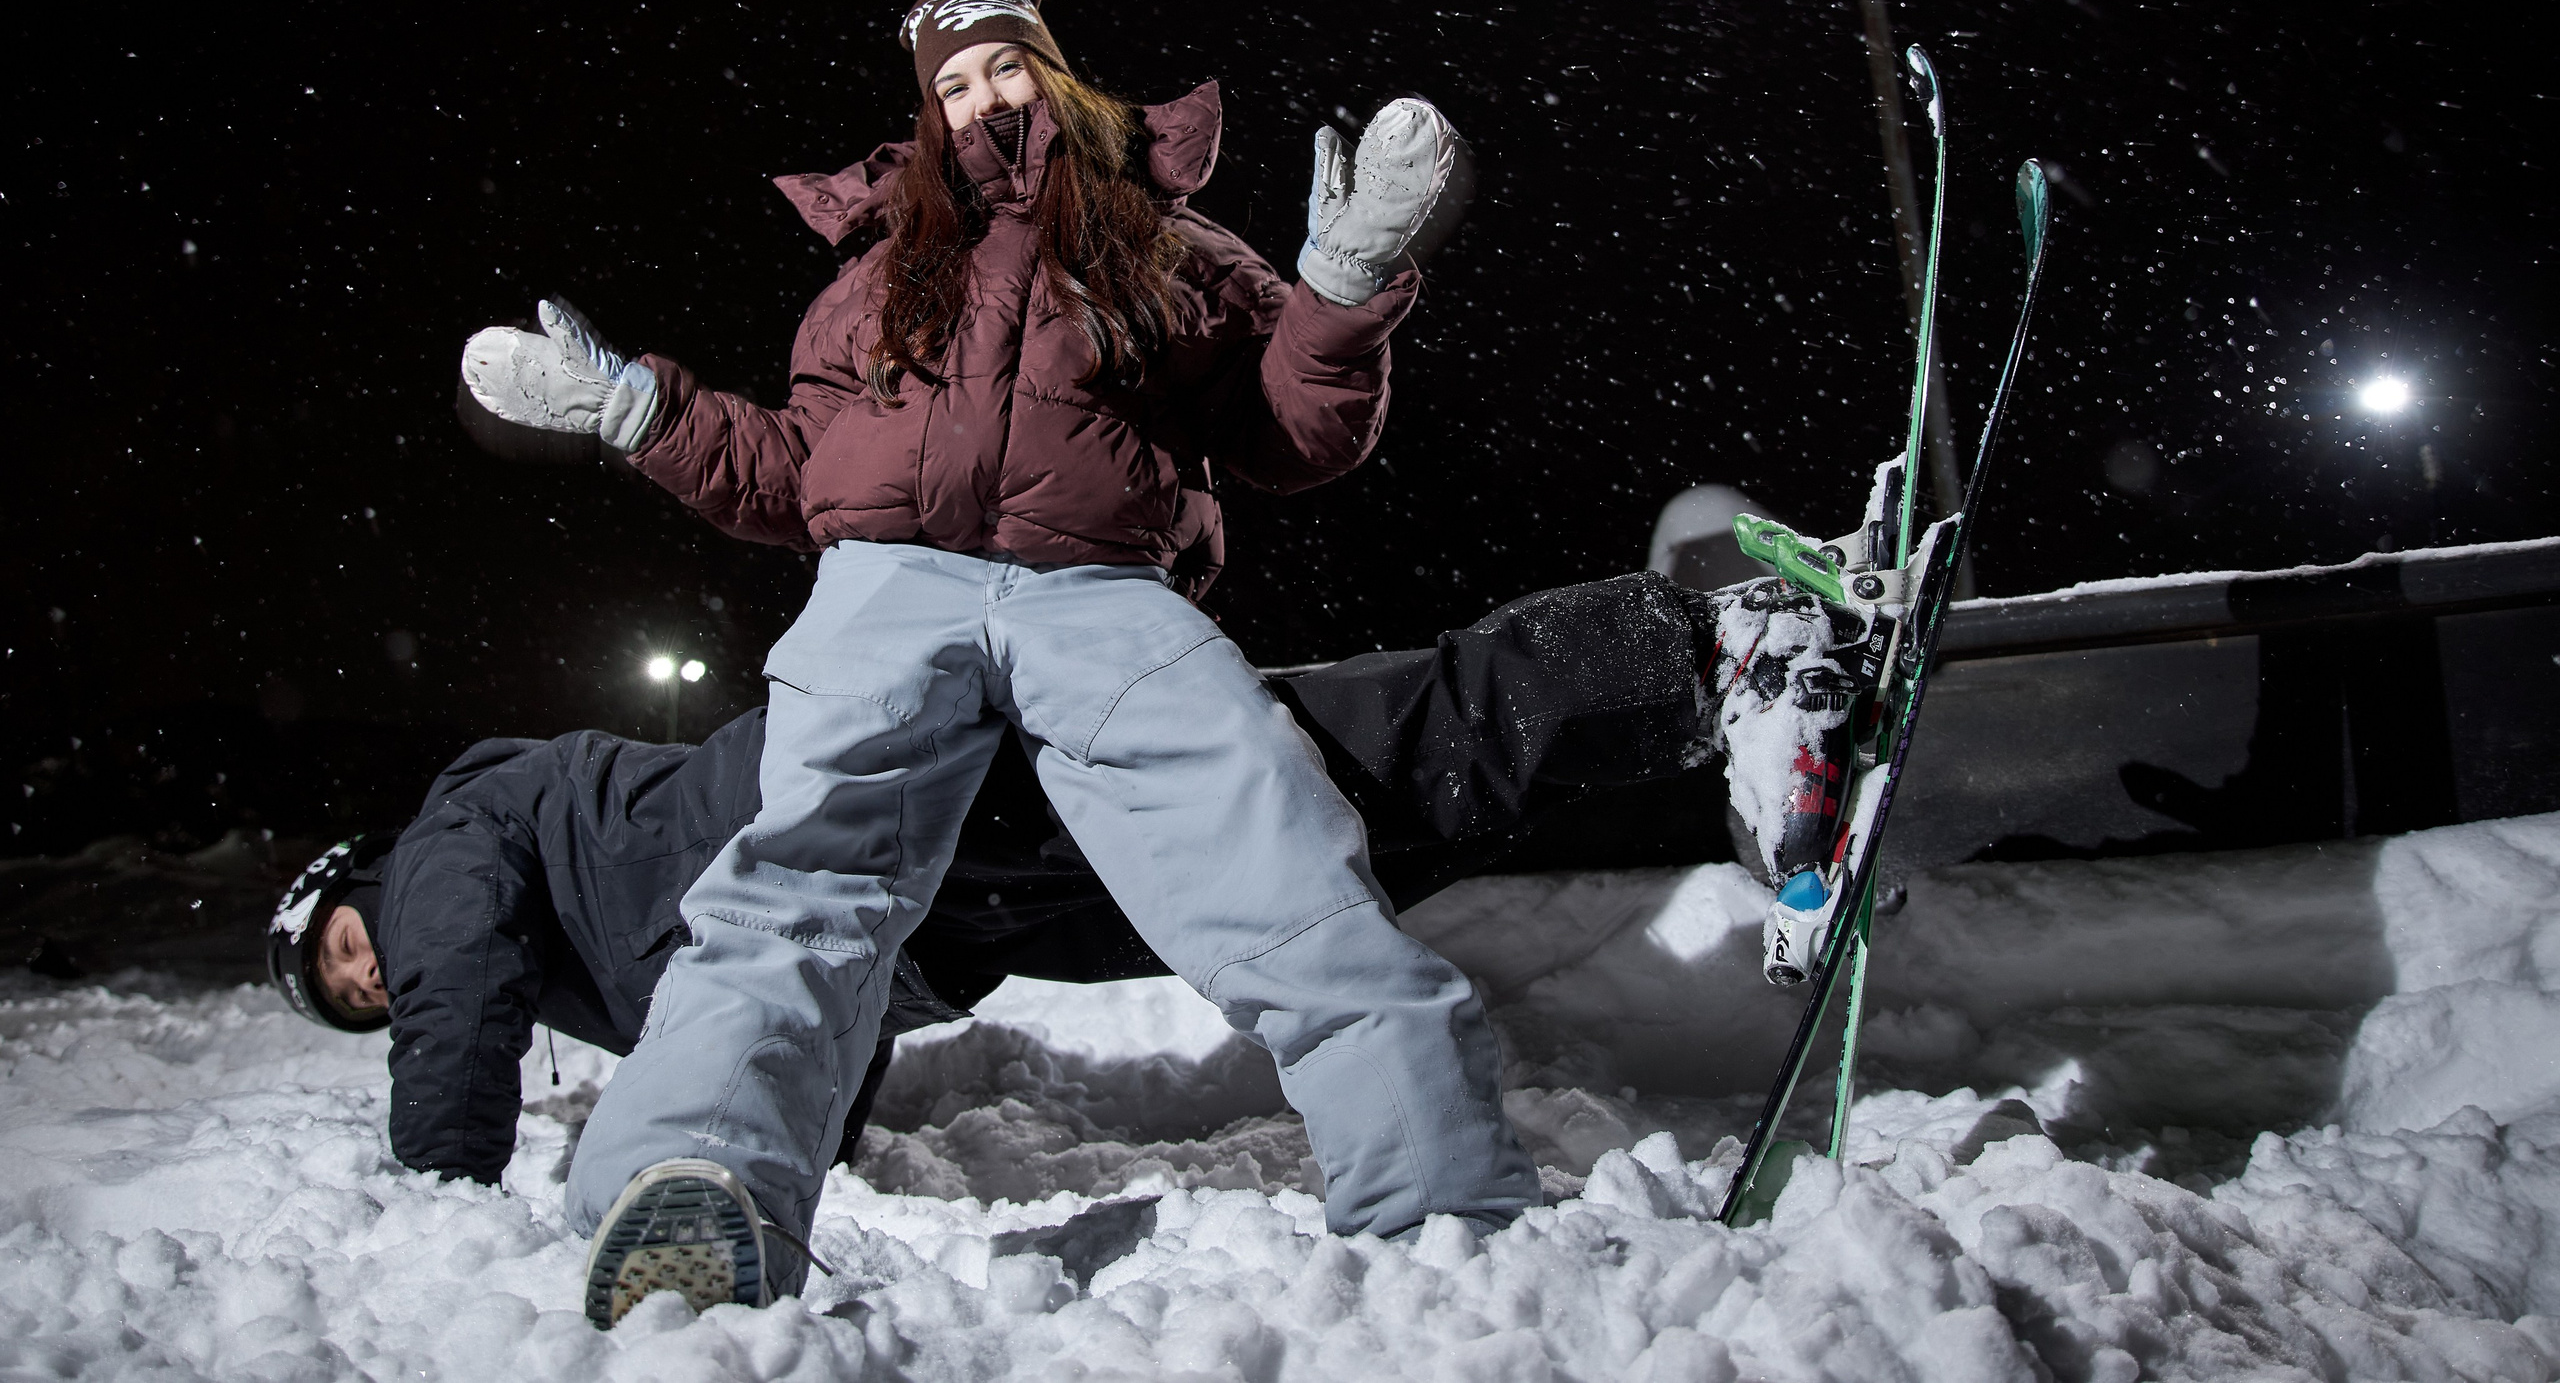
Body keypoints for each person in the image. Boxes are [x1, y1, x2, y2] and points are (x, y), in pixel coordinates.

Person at [458, 0, 1546, 1326]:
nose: (982, 98)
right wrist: (639, 414)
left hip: (1101, 587)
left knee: (1276, 857)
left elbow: (1291, 434)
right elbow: (797, 470)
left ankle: (1437, 1191)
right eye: (952, 84)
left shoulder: (1168, 243)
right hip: (883, 590)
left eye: (1004, 67)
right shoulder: (873, 277)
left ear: (1056, 72)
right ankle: (698, 1182)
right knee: (797, 887)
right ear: (924, 114)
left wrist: (1343, 283)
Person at [267, 569, 1862, 1190]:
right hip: (936, 917)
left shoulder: (447, 847)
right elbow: (781, 1023)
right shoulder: (569, 951)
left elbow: (456, 999)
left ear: (360, 884)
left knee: (1296, 779)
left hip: (870, 810)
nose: (372, 972)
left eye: (345, 946)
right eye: (350, 994)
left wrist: (442, 1191)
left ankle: (1699, 650)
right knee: (1312, 843)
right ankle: (1684, 716)